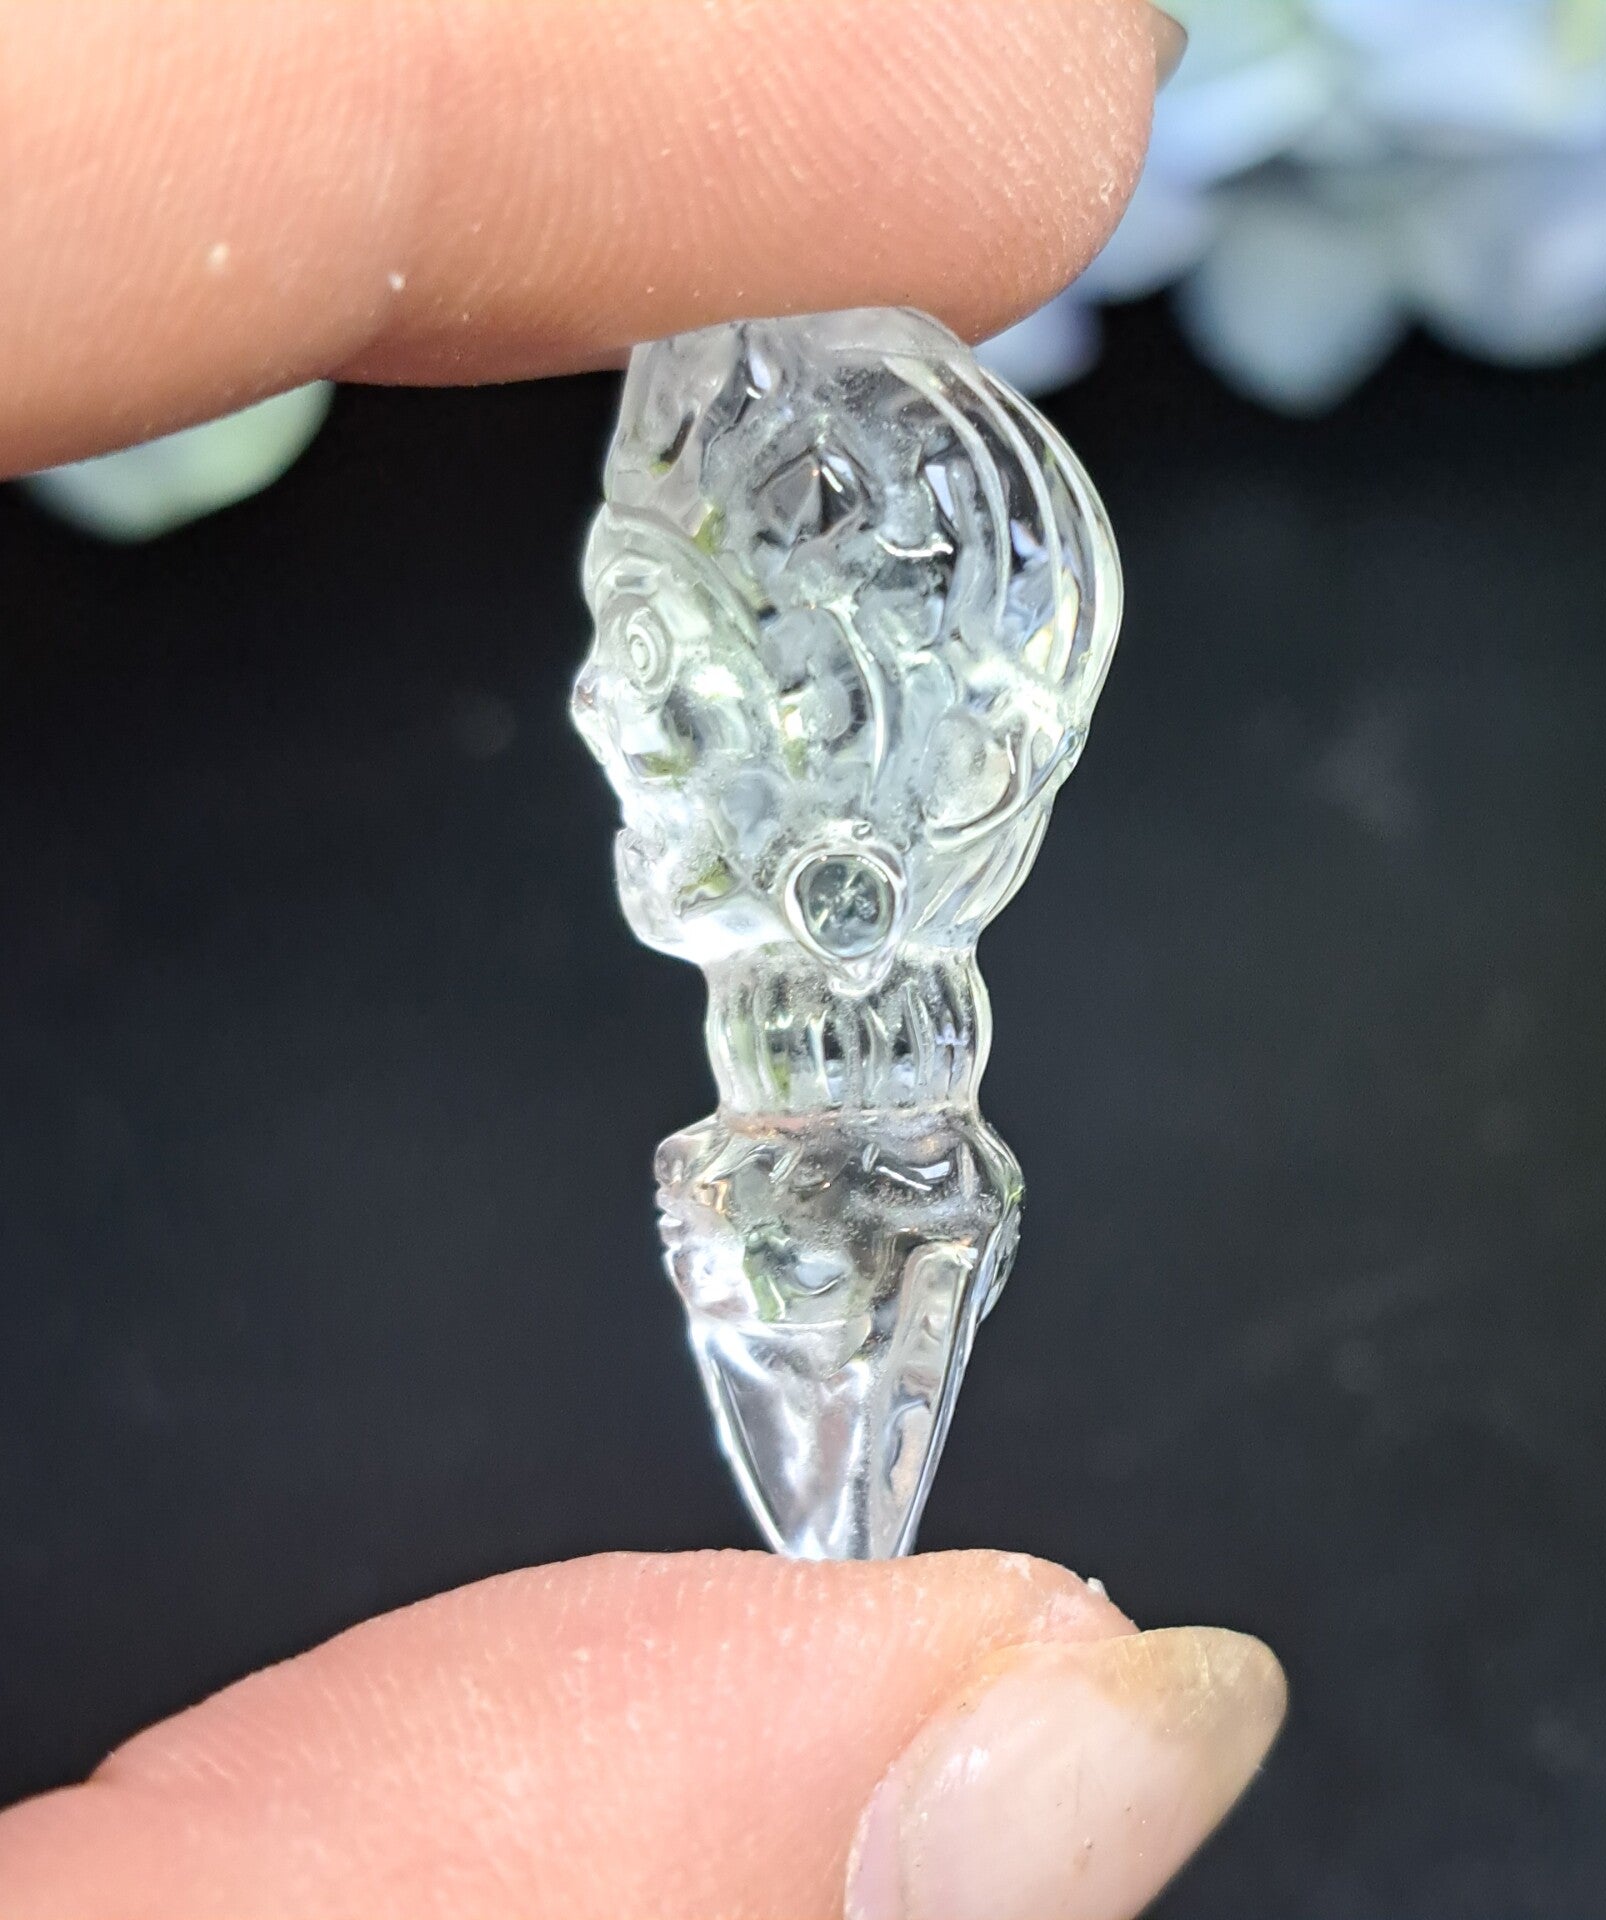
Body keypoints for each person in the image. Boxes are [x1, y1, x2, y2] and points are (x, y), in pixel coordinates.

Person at [0, 5, 1286, 1915]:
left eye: (675, 653)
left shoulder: (871, 1113)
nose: (607, 707)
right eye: (626, 630)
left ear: (896, 761)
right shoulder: (796, 1130)